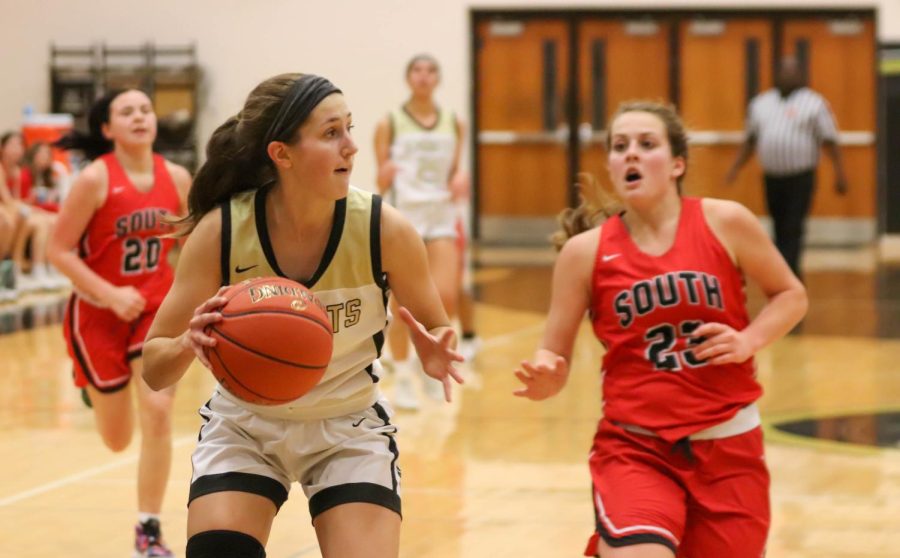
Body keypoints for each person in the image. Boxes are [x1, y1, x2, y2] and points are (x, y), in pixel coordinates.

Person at [142, 73, 463, 558]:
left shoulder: (384, 229)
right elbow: (153, 364)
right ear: (281, 153)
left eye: (349, 128)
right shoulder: (223, 231)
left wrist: (437, 351)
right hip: (245, 425)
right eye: (332, 133)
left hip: (347, 428)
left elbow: (438, 325)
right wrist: (190, 342)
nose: (352, 147)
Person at [514, 101, 808, 558]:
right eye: (619, 146)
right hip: (636, 448)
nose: (630, 153)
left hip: (729, 449)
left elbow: (791, 295)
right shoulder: (584, 253)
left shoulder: (725, 221)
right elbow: (554, 349)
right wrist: (549, 372)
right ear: (611, 165)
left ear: (676, 164)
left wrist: (748, 340)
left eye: (646, 144)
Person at [47, 88, 192, 557]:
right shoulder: (93, 180)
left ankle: (147, 530)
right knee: (116, 439)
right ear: (107, 129)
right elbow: (57, 250)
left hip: (153, 309)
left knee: (158, 410)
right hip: (99, 313)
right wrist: (108, 293)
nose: (139, 116)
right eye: (126, 111)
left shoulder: (178, 178)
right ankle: (94, 386)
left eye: (146, 109)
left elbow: (194, 249)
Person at [374, 53, 472, 409]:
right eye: (417, 70)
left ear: (438, 79)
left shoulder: (454, 122)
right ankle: (400, 375)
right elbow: (380, 180)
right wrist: (383, 176)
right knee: (404, 305)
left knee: (444, 298)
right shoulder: (391, 122)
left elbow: (457, 171)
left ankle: (428, 367)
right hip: (405, 220)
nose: (424, 76)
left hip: (441, 217)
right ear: (408, 78)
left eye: (431, 70)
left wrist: (461, 179)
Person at [725, 56, 848, 279]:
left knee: (793, 226)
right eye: (783, 70)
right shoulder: (761, 103)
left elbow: (829, 140)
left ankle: (790, 273)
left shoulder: (814, 102)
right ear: (776, 73)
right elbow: (751, 140)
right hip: (772, 177)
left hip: (800, 177)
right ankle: (783, 271)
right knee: (778, 225)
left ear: (800, 75)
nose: (787, 75)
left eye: (792, 71)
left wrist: (840, 174)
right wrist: (735, 168)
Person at [0, 131, 59, 291]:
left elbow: (17, 201)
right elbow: (7, 200)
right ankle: (11, 268)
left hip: (14, 210)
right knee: (12, 217)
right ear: (2, 147)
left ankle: (34, 268)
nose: (17, 149)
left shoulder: (18, 172)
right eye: (12, 145)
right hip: (7, 210)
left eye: (19, 145)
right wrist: (32, 208)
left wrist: (31, 207)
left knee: (39, 220)